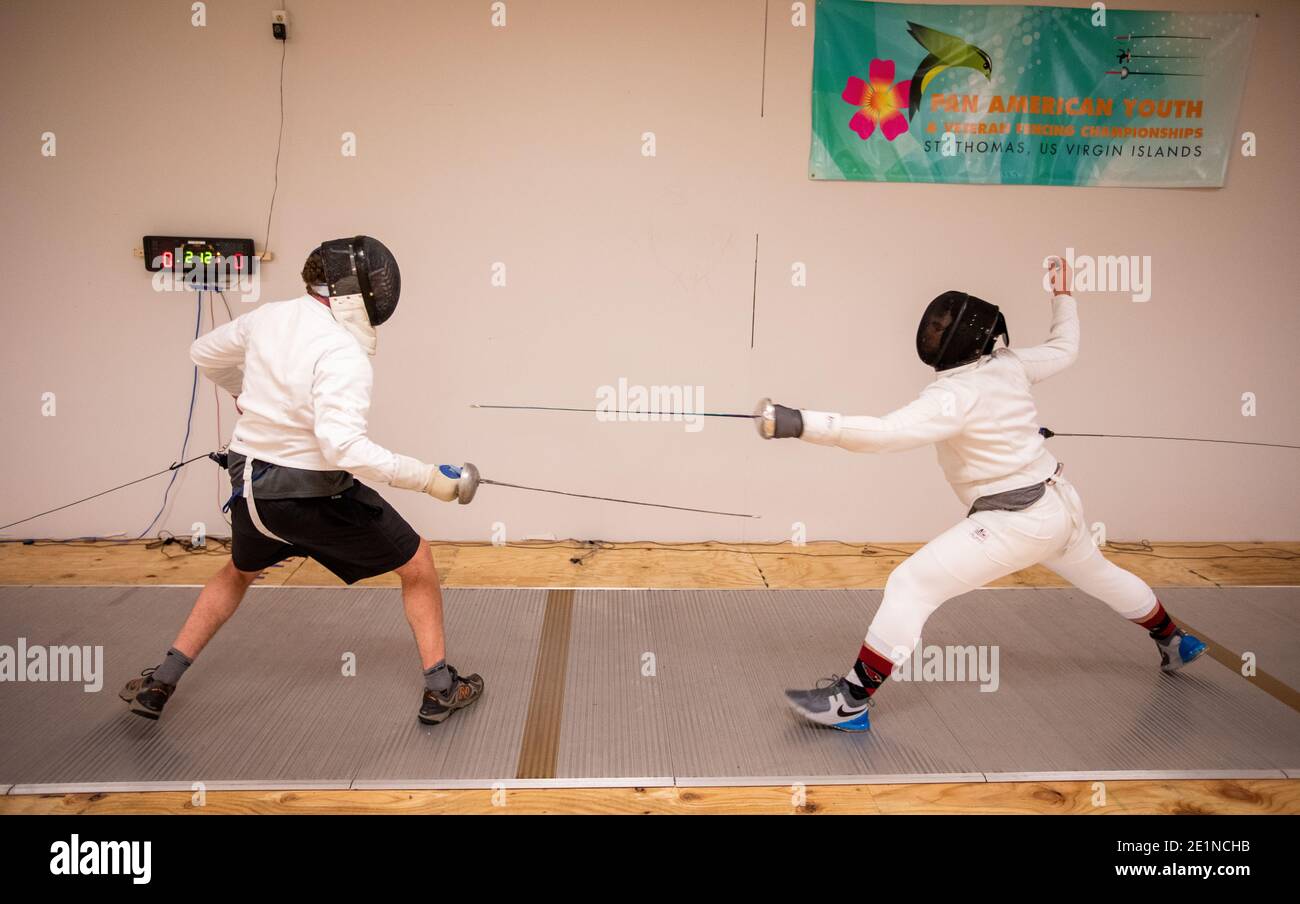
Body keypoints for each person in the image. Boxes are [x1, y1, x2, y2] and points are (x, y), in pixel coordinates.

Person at [757, 256, 1206, 731]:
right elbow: (1065, 347)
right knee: (1099, 573)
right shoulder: (1009, 364)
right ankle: (1173, 638)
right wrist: (1063, 296)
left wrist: (800, 423)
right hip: (1061, 506)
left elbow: (884, 434)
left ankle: (850, 701)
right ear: (991, 337)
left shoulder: (954, 396)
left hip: (1018, 520)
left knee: (912, 584)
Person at [119, 236, 484, 727]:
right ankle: (441, 689)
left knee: (238, 572)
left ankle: (160, 681)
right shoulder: (343, 351)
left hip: (250, 491)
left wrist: (243, 395)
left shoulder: (269, 316)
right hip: (309, 496)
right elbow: (344, 449)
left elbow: (204, 352)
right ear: (353, 289)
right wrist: (429, 481)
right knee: (417, 563)